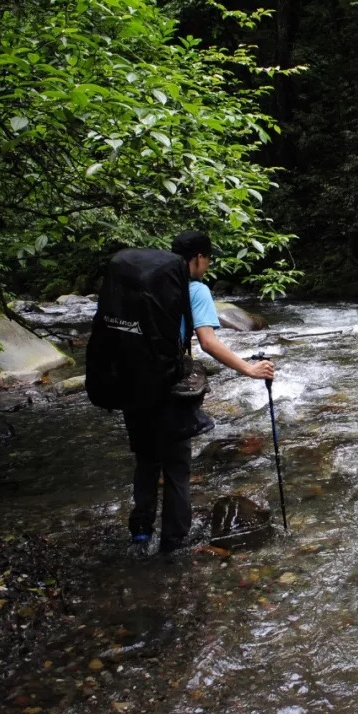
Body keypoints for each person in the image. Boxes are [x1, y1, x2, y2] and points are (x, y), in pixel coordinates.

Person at [126, 230, 274, 554]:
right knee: (177, 467)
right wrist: (249, 369)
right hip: (167, 389)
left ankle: (139, 535)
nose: (206, 266)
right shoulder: (195, 289)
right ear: (198, 258)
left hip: (133, 385)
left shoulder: (144, 284)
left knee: (147, 461)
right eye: (206, 260)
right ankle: (173, 545)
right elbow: (208, 342)